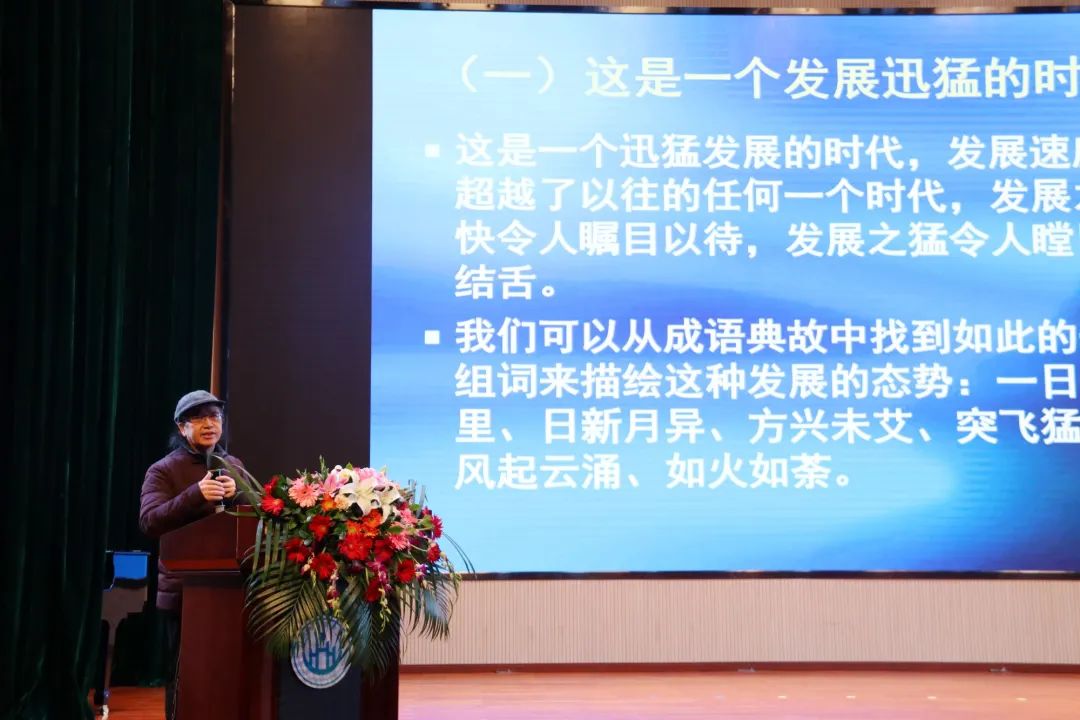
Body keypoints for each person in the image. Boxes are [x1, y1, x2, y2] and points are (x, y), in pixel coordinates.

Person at [138, 390, 246, 720]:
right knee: (186, 677)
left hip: (233, 589)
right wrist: (194, 494)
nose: (209, 424)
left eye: (214, 417)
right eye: (198, 418)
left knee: (227, 674)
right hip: (184, 594)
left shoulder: (233, 465)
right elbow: (149, 521)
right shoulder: (163, 470)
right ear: (182, 427)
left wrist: (239, 494)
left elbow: (253, 519)